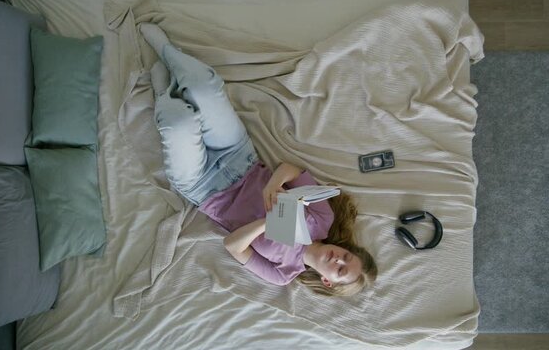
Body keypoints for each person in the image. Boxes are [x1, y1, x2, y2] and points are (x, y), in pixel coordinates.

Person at [139, 23, 377, 296]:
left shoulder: (282, 273)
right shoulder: (323, 218)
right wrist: (273, 185)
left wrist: (270, 223)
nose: (338, 259)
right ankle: (166, 51)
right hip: (240, 157)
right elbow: (291, 169)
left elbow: (233, 246)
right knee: (205, 86)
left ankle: (163, 93)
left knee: (180, 121)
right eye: (346, 257)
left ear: (327, 281)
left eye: (340, 270)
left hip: (203, 187)